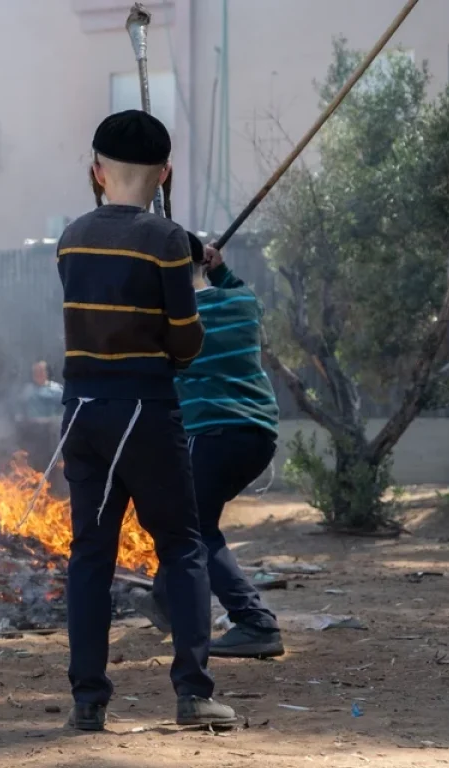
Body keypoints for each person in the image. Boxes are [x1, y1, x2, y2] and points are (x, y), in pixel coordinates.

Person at [56, 110, 235, 731]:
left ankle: (87, 703)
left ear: (96, 172)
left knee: (90, 556)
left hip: (80, 413)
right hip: (146, 411)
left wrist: (178, 243)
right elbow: (185, 344)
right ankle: (193, 694)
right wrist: (189, 267)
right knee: (182, 547)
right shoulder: (163, 239)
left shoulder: (71, 238)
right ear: (165, 174)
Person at [136, 235, 284, 659]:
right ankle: (167, 601)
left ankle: (255, 622)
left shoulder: (177, 322)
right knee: (192, 519)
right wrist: (216, 267)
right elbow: (234, 287)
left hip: (213, 435)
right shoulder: (244, 304)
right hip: (257, 436)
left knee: (195, 530)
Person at [16, 360, 64, 469]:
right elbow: (19, 410)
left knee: (52, 463)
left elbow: (65, 411)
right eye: (35, 371)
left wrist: (54, 420)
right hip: (31, 432)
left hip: (51, 433)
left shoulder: (57, 390)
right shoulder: (27, 390)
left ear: (47, 373)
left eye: (40, 370)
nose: (38, 373)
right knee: (32, 463)